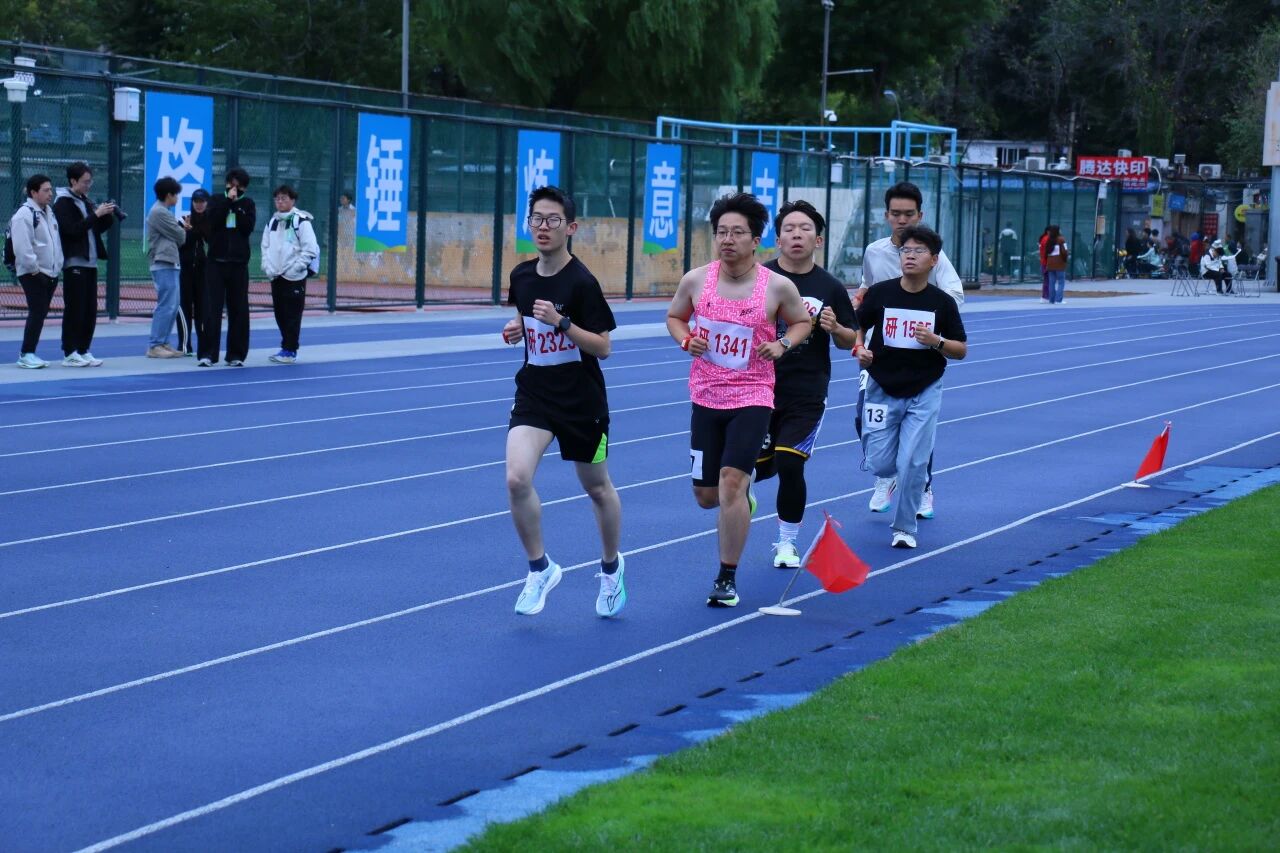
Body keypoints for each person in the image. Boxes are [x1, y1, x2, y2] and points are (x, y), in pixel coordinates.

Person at [666, 192, 813, 608]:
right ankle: (742, 500)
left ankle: (726, 577)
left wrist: (782, 344)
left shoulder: (776, 286)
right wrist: (686, 340)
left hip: (753, 396)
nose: (727, 239)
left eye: (737, 232)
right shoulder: (696, 280)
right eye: (721, 232)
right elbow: (675, 317)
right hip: (706, 395)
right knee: (707, 496)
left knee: (731, 480)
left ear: (755, 239)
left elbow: (802, 322)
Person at [499, 186, 625, 618]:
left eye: (553, 220)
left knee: (597, 488)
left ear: (570, 227)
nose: (543, 227)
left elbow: (603, 347)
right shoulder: (521, 275)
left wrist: (562, 322)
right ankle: (540, 568)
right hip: (534, 394)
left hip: (581, 403)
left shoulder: (582, 283)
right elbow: (524, 315)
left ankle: (611, 568)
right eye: (536, 218)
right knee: (516, 479)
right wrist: (516, 327)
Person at [757, 199, 856, 568]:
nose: (796, 235)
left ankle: (787, 543)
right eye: (789, 229)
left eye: (805, 229)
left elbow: (850, 340)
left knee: (790, 462)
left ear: (818, 240)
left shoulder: (829, 286)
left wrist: (836, 328)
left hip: (807, 390)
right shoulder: (759, 278)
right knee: (750, 468)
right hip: (757, 386)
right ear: (778, 239)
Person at [854, 225, 967, 549]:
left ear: (934, 260)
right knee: (880, 462)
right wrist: (859, 348)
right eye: (906, 250)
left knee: (913, 463)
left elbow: (960, 349)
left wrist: (936, 341)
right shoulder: (881, 293)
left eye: (919, 251)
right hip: (881, 385)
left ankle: (904, 528)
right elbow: (858, 325)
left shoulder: (941, 302)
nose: (910, 256)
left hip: (924, 389)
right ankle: (888, 478)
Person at [53, 162, 116, 367]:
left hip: (90, 262)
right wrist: (95, 215)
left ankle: (83, 349)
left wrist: (106, 216)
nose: (88, 185)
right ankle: (69, 352)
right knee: (75, 308)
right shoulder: (63, 203)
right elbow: (72, 230)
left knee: (90, 309)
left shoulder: (85, 201)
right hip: (74, 262)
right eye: (85, 182)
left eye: (90, 182)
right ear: (73, 181)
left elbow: (94, 228)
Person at [199, 167, 256, 367]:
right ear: (226, 184)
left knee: (238, 310)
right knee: (211, 309)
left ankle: (236, 354)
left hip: (238, 264)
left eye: (239, 187)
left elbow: (247, 228)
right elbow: (213, 221)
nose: (235, 189)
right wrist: (227, 202)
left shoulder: (248, 204)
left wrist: (237, 207)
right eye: (232, 185)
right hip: (216, 263)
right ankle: (208, 353)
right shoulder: (216, 200)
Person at [261, 184, 319, 364]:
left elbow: (310, 249)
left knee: (292, 315)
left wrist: (296, 268)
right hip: (276, 276)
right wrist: (267, 267)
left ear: (292, 200)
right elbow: (265, 246)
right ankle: (286, 347)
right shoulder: (272, 222)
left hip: (294, 277)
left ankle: (290, 350)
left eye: (284, 198)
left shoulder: (301, 221)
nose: (280, 202)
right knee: (280, 314)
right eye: (277, 199)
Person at [10, 174, 64, 368]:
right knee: (37, 311)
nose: (50, 193)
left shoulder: (48, 212)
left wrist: (57, 267)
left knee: (40, 313)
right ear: (33, 192)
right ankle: (26, 354)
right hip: (32, 273)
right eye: (46, 190)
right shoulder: (24, 215)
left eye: (51, 190)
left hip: (50, 273)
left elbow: (54, 242)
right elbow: (22, 248)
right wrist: (35, 271)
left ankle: (29, 352)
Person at [144, 176, 189, 359]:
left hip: (170, 261)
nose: (177, 198)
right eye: (175, 195)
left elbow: (178, 234)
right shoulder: (159, 212)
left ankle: (163, 342)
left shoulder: (163, 212)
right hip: (162, 262)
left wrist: (180, 229)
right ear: (169, 195)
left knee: (173, 304)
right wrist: (182, 229)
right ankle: (155, 344)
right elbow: (180, 236)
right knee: (166, 304)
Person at [176, 188, 211, 356]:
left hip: (202, 270)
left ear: (207, 203)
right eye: (196, 201)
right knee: (184, 306)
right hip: (185, 269)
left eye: (202, 201)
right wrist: (187, 231)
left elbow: (211, 240)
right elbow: (179, 243)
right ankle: (184, 345)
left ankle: (204, 344)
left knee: (202, 307)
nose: (199, 204)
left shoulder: (211, 221)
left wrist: (199, 230)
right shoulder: (183, 220)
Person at [1044, 224, 1068, 303]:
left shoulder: (1049, 240)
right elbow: (1064, 252)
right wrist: (1065, 260)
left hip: (1050, 264)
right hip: (1059, 264)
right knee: (1061, 282)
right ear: (1058, 231)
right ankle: (1058, 299)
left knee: (1051, 282)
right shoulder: (1061, 239)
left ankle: (1051, 299)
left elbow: (1046, 252)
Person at [1039, 226, 1052, 299]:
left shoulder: (1044, 238)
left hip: (1044, 261)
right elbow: (1047, 251)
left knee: (1047, 280)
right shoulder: (1047, 239)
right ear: (1048, 231)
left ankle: (1045, 295)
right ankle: (1046, 296)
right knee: (1048, 280)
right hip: (1047, 262)